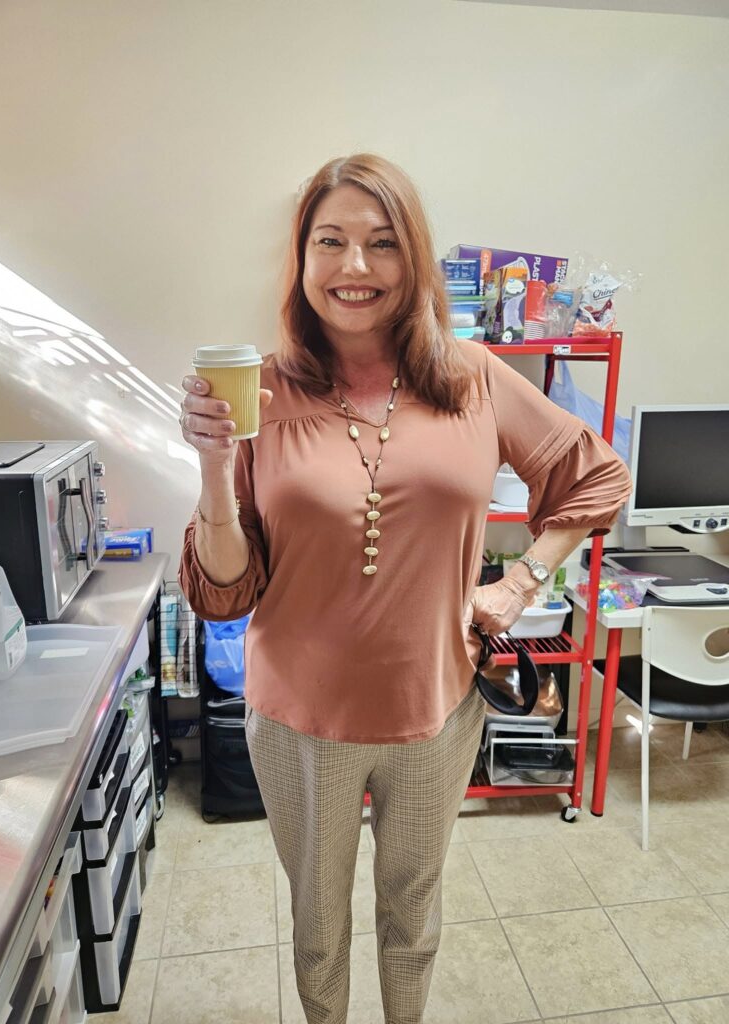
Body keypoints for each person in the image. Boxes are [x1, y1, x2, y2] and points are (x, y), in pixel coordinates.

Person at [178, 153, 631, 1024]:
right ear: (302, 260)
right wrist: (211, 464)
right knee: (317, 929)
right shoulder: (261, 392)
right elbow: (224, 593)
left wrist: (523, 578)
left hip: (436, 707)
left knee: (411, 919)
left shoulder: (471, 377)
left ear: (413, 259)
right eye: (331, 242)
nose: (355, 267)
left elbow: (596, 479)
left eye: (382, 244)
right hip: (300, 718)